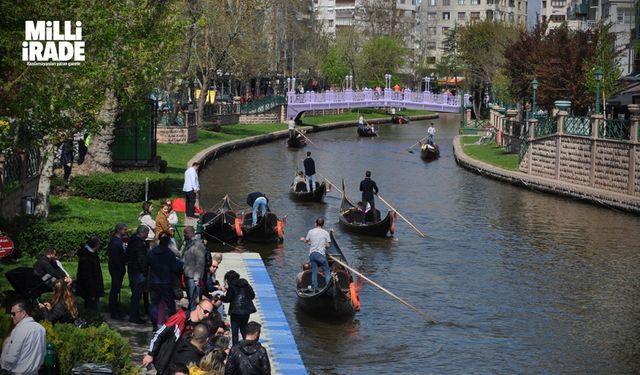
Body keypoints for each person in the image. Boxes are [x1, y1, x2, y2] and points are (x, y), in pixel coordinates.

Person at [143, 299, 215, 374]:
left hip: (182, 365)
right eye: (205, 311)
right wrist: (150, 354)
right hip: (167, 362)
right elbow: (159, 334)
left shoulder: (200, 327)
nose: (207, 315)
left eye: (210, 313)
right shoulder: (180, 318)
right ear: (198, 307)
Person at [147, 233, 184, 331]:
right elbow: (175, 268)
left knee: (154, 304)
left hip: (154, 282)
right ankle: (171, 324)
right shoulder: (169, 254)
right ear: (168, 243)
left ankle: (154, 325)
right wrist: (180, 264)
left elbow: (146, 264)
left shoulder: (152, 253)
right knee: (170, 304)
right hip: (166, 282)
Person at [1, 301, 46, 375]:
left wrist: (4, 369)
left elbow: (12, 354)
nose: (11, 316)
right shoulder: (41, 328)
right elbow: (43, 353)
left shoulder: (20, 329)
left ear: (23, 313)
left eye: (13, 314)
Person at [218, 270, 257, 345]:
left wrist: (221, 297)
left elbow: (228, 298)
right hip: (246, 311)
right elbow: (252, 296)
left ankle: (235, 347)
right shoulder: (246, 284)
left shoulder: (232, 286)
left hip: (235, 311)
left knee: (235, 331)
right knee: (243, 329)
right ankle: (248, 345)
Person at [300, 217, 331, 292]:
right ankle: (328, 287)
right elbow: (328, 246)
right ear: (323, 224)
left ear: (316, 223)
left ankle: (315, 287)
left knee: (314, 270)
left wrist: (303, 239)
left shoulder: (310, 231)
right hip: (320, 255)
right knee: (327, 270)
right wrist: (324, 245)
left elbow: (307, 241)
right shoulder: (326, 233)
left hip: (312, 255)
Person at [182, 226, 207, 312]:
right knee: (190, 298)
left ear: (191, 233)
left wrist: (197, 277)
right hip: (187, 275)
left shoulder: (198, 246)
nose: (184, 235)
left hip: (194, 278)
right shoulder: (187, 244)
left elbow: (200, 263)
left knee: (194, 299)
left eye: (185, 233)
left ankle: (193, 317)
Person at [127, 225, 149, 324]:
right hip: (138, 272)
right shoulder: (139, 243)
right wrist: (145, 271)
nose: (147, 235)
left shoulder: (132, 241)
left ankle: (134, 314)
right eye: (146, 233)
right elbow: (141, 259)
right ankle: (134, 316)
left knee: (135, 295)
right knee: (136, 295)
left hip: (132, 270)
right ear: (141, 232)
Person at [76, 236, 103, 312]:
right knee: (94, 308)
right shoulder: (87, 257)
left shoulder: (90, 254)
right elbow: (87, 276)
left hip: (91, 287)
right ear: (96, 245)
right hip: (91, 288)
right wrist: (92, 292)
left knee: (89, 306)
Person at [108, 223, 128, 320]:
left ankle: (116, 309)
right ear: (119, 230)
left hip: (118, 268)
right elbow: (116, 258)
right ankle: (114, 311)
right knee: (115, 290)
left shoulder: (117, 241)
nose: (126, 232)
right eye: (124, 230)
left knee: (116, 290)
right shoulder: (116, 242)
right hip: (116, 269)